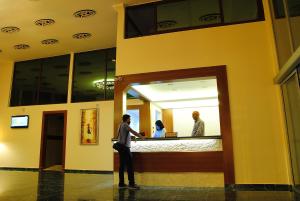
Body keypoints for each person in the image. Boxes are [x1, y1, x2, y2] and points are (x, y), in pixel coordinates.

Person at [117, 114, 145, 190]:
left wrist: (132, 137)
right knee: (130, 166)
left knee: (122, 166)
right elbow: (133, 131)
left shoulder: (120, 125)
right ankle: (131, 184)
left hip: (120, 147)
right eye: (129, 119)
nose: (130, 120)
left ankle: (121, 183)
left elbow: (122, 135)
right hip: (125, 148)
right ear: (127, 119)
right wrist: (141, 136)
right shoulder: (125, 125)